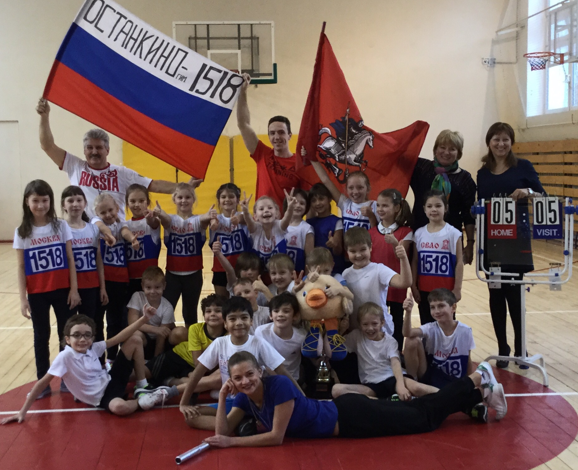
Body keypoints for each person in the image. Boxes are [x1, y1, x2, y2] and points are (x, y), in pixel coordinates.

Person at [201, 352, 507, 448]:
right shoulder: (244, 398)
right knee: (418, 411)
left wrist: (231, 444)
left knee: (423, 418)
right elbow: (223, 429)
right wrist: (226, 396)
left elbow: (276, 437)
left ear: (260, 371)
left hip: (350, 416)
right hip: (349, 421)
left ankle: (478, 376)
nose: (245, 381)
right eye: (237, 378)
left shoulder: (278, 385)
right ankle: (477, 396)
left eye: (249, 374)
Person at [36, 98, 201, 220]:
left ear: (107, 150)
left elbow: (155, 185)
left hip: (118, 234)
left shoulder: (122, 173)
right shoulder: (74, 166)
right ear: (84, 150)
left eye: (99, 147)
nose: (94, 152)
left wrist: (185, 187)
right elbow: (47, 146)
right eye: (90, 148)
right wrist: (44, 116)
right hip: (85, 236)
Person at [1, 313, 178, 423]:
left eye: (87, 335)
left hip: (111, 379)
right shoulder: (65, 357)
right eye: (76, 335)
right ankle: (145, 400)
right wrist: (22, 412)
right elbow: (41, 383)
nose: (82, 339)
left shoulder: (92, 347)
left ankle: (142, 386)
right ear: (67, 339)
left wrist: (144, 319)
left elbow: (119, 337)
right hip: (103, 396)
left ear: (92, 338)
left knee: (135, 339)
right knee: (119, 408)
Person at [476, 122, 544, 368]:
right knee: (496, 295)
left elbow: (543, 195)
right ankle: (502, 347)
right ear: (489, 142)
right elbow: (481, 205)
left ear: (511, 142)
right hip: (491, 242)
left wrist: (528, 191)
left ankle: (520, 347)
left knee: (515, 296)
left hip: (515, 242)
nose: (501, 144)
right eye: (496, 139)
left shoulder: (523, 166)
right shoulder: (483, 172)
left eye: (505, 139)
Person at [178, 297, 301, 431]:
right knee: (191, 416)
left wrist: (302, 398)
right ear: (225, 323)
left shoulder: (258, 343)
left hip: (257, 401)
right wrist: (183, 403)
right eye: (232, 319)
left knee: (226, 425)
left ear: (251, 321)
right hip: (232, 401)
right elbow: (197, 374)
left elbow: (282, 371)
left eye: (244, 318)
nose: (239, 323)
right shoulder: (220, 343)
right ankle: (242, 424)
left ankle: (237, 423)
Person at [14, 180, 80, 398]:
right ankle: (42, 381)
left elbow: (70, 258)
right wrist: (23, 299)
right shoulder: (22, 232)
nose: (41, 205)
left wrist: (74, 289)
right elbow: (21, 267)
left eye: (45, 200)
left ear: (51, 201)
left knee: (66, 335)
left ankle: (67, 378)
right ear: (27, 202)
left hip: (63, 290)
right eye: (36, 200)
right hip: (37, 293)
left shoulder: (61, 226)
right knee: (41, 336)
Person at [403, 290, 487, 422]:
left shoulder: (465, 331)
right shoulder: (430, 328)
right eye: (432, 307)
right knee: (411, 340)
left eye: (441, 306)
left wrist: (471, 384)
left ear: (453, 307)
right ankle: (413, 386)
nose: (436, 311)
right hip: (432, 377)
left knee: (483, 390)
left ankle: (452, 401)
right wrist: (408, 312)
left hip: (454, 381)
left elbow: (468, 360)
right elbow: (407, 332)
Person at [332, 302, 437, 400]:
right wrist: (341, 330)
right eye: (365, 324)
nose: (370, 328)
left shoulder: (390, 341)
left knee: (417, 388)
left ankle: (445, 395)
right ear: (359, 325)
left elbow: (395, 363)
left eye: (374, 324)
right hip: (371, 385)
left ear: (382, 323)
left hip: (393, 378)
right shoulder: (356, 336)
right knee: (336, 389)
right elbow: (336, 348)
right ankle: (383, 402)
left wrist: (400, 385)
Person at [410, 129, 476, 264]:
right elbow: (398, 155)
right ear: (435, 149)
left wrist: (470, 243)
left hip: (449, 239)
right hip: (419, 234)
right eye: (442, 147)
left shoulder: (465, 179)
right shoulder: (420, 168)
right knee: (418, 273)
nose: (446, 152)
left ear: (459, 153)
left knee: (449, 275)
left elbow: (468, 215)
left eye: (452, 149)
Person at [236, 74, 300, 209]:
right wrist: (242, 91)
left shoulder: (299, 164)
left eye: (281, 132)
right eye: (272, 133)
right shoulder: (262, 154)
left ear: (289, 135)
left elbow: (305, 200)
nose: (276, 137)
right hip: (261, 220)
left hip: (286, 221)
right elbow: (243, 124)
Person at [153, 183, 213, 327]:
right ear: (174, 200)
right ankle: (169, 338)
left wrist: (212, 216)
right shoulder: (170, 220)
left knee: (190, 312)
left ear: (193, 200)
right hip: (172, 275)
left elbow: (204, 219)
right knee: (167, 312)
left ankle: (191, 340)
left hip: (194, 275)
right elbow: (166, 220)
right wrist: (160, 213)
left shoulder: (198, 220)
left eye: (187, 197)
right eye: (180, 197)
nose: (183, 200)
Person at [145, 294, 226, 394]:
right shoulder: (195, 329)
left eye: (218, 311)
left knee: (197, 381)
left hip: (198, 368)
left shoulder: (229, 333)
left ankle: (169, 381)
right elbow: (198, 363)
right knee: (143, 374)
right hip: (180, 357)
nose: (213, 314)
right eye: (208, 311)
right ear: (204, 315)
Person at [93, 192, 139, 362]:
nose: (108, 214)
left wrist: (132, 239)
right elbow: (101, 226)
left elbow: (124, 231)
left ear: (117, 208)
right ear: (97, 214)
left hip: (121, 281)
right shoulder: (95, 224)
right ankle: (103, 359)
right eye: (103, 212)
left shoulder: (121, 223)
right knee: (103, 321)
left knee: (119, 321)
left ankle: (116, 358)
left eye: (111, 210)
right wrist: (110, 236)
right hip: (104, 281)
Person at [342, 227, 412, 332]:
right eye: (353, 251)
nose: (358, 255)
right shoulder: (346, 274)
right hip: (357, 331)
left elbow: (405, 282)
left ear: (370, 247)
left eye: (363, 249)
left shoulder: (379, 270)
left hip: (380, 331)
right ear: (347, 251)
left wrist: (403, 258)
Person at [369, 188, 413, 351]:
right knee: (375, 321)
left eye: (385, 205)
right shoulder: (371, 232)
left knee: (397, 321)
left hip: (396, 287)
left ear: (397, 208)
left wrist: (395, 243)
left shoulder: (406, 232)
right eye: (379, 205)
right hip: (377, 287)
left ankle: (396, 353)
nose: (380, 209)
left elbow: (400, 256)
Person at [411, 190, 463, 325]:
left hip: (446, 290)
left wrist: (457, 288)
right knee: (426, 326)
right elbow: (415, 261)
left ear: (446, 208)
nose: (433, 209)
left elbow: (459, 263)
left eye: (438, 206)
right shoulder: (419, 233)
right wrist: (414, 286)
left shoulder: (454, 233)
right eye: (429, 206)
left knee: (446, 325)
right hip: (424, 289)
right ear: (424, 209)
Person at [61, 185, 107, 320]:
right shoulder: (60, 229)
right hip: (68, 287)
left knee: (90, 323)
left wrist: (102, 287)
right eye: (70, 201)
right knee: (68, 325)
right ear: (63, 205)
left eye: (79, 200)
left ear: (85, 203)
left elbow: (98, 260)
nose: (75, 204)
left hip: (91, 285)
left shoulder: (93, 229)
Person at [310, 159, 378, 231]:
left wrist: (371, 216)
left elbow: (381, 232)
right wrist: (311, 157)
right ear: (346, 189)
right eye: (351, 188)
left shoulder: (375, 206)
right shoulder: (345, 203)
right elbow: (326, 180)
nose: (355, 192)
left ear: (368, 189)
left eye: (360, 187)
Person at [209, 183, 251, 298]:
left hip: (241, 268)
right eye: (223, 197)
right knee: (221, 302)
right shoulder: (215, 219)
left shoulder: (244, 216)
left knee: (241, 302)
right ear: (219, 201)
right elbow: (211, 223)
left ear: (237, 200)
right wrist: (212, 223)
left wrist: (239, 219)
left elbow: (247, 218)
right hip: (220, 268)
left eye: (231, 196)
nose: (227, 199)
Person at [255, 292, 307, 382]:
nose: (280, 314)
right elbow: (263, 362)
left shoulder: (302, 336)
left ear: (295, 316)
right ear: (271, 315)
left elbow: (311, 357)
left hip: (292, 380)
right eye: (276, 311)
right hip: (266, 379)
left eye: (286, 311)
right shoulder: (261, 332)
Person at [127, 267, 176, 358]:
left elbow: (161, 337)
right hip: (145, 339)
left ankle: (159, 360)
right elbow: (132, 323)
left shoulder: (167, 307)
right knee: (135, 334)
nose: (153, 291)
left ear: (164, 286)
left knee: (179, 332)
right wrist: (155, 329)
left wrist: (155, 361)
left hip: (161, 341)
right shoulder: (137, 296)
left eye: (157, 287)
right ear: (142, 286)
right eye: (148, 287)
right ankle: (136, 361)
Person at [240, 190, 296, 270]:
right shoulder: (255, 228)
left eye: (270, 208)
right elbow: (249, 221)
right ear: (255, 216)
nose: (266, 210)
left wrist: (290, 208)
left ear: (276, 213)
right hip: (259, 271)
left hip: (277, 270)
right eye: (261, 209)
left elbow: (287, 219)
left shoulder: (279, 226)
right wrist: (245, 211)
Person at [124, 184, 161, 298]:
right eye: (132, 201)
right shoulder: (125, 225)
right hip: (130, 279)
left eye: (141, 201)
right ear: (127, 203)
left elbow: (154, 223)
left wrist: (150, 218)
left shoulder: (152, 221)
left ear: (148, 202)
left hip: (150, 281)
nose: (137, 204)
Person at [306, 183, 345, 274]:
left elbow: (338, 251)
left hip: (334, 270)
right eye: (313, 200)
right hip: (315, 271)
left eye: (321, 199)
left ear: (329, 199)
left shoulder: (337, 221)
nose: (317, 203)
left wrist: (334, 244)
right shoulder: (309, 223)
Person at [283, 188, 314, 273]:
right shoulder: (278, 225)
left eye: (302, 203)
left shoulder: (307, 229)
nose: (298, 205)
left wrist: (307, 277)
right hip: (279, 275)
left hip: (297, 275)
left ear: (306, 207)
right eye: (294, 202)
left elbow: (309, 258)